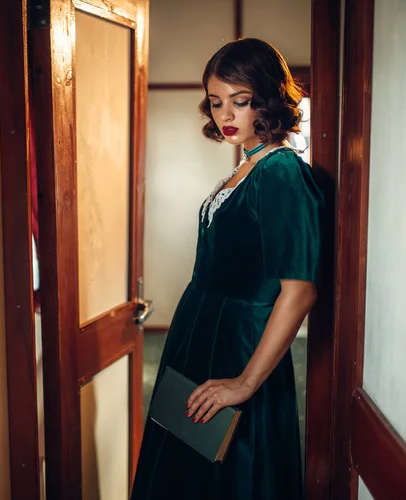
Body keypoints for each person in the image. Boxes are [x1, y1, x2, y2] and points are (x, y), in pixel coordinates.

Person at [130, 38, 324, 500]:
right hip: (199, 337)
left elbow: (299, 292)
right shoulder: (246, 167)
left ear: (269, 99)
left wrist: (244, 383)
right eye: (217, 103)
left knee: (232, 473)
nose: (227, 116)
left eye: (242, 101)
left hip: (241, 344)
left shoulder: (281, 173)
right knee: (187, 468)